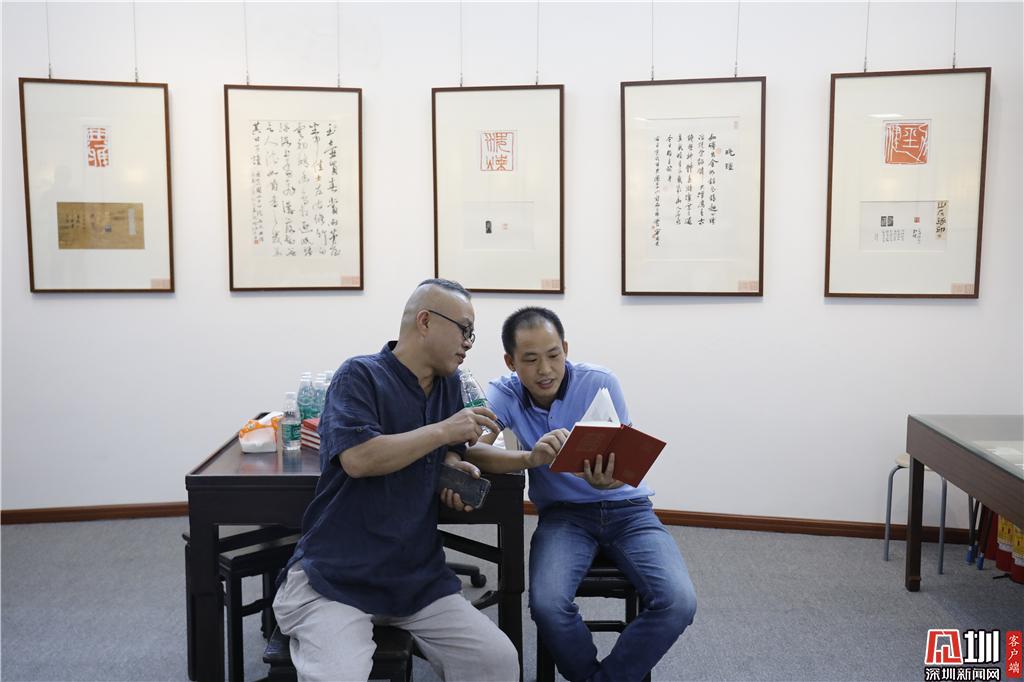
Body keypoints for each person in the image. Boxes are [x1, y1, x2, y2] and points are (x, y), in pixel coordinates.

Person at [272, 279, 520, 682]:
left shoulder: (449, 385)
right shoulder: (359, 375)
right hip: (336, 575)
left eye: (471, 333)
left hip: (414, 577)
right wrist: (444, 431)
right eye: (464, 329)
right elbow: (358, 459)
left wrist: (453, 462)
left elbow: (447, 448)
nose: (469, 342)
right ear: (425, 321)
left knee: (497, 661)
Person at [466, 306, 697, 682]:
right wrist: (530, 457)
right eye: (531, 359)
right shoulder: (504, 393)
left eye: (554, 355)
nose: (545, 370)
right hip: (564, 517)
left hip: (629, 511)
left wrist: (609, 481)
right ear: (511, 362)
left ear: (566, 349)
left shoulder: (600, 382)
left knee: (679, 602)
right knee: (546, 605)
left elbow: (626, 463)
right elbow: (474, 449)